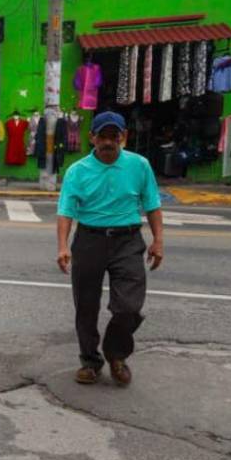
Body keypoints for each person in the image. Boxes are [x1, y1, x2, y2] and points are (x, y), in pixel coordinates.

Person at [56, 111, 165, 386]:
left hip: (127, 242)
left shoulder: (139, 166)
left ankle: (116, 355)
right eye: (102, 136)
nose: (108, 142)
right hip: (89, 240)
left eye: (113, 136)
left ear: (123, 138)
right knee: (86, 306)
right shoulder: (77, 171)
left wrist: (158, 240)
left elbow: (152, 204)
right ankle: (90, 362)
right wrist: (62, 246)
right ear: (92, 138)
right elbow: (66, 211)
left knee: (129, 307)